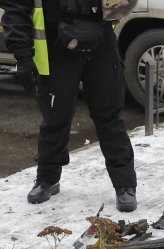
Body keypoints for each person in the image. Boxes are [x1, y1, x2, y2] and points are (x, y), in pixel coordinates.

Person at [1, 0, 138, 212]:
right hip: (56, 48)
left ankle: (125, 184)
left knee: (110, 118)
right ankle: (47, 179)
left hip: (101, 45)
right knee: (56, 118)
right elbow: (15, 7)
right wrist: (23, 55)